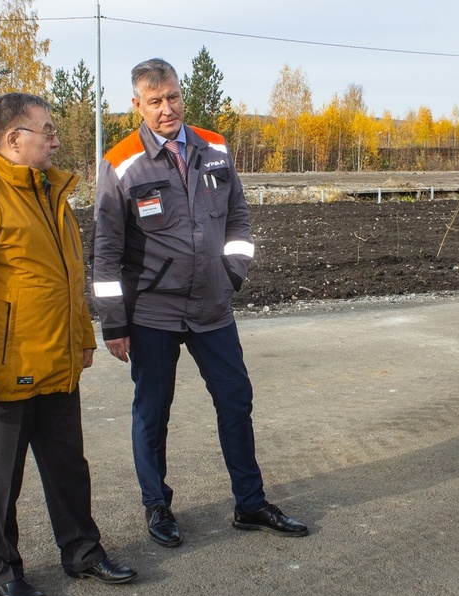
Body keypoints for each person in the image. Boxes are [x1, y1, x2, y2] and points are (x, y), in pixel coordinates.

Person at [0, 93, 136, 596]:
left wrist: (81, 337)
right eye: (47, 131)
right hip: (3, 373)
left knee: (69, 469)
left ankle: (82, 551)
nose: (56, 140)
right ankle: (0, 568)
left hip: (56, 362)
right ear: (13, 139)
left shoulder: (47, 190)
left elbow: (66, 277)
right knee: (0, 481)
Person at [92, 58, 308, 547]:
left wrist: (231, 274)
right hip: (153, 312)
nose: (166, 109)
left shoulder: (215, 147)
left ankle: (250, 503)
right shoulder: (120, 162)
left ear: (181, 94)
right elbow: (105, 249)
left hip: (213, 307)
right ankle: (157, 506)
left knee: (236, 400)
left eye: (172, 97)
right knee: (153, 412)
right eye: (155, 101)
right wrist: (114, 324)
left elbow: (238, 217)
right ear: (137, 105)